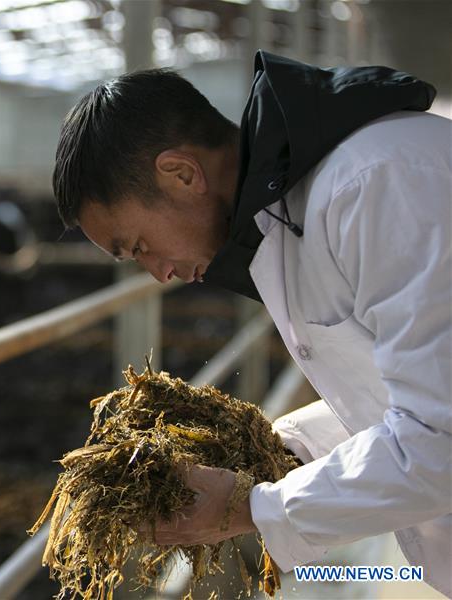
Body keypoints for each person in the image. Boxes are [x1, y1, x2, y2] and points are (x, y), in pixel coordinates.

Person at [52, 50, 451, 597]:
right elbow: (402, 396)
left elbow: (441, 436)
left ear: (181, 173)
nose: (160, 272)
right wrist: (280, 451)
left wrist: (252, 506)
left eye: (140, 246)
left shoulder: (377, 185)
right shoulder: (297, 213)